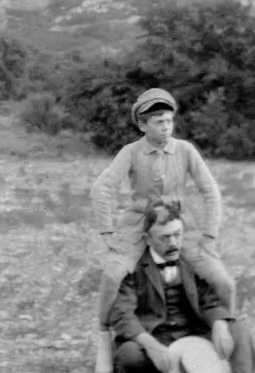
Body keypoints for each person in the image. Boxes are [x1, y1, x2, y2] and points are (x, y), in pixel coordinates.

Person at [90, 88, 238, 373]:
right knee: (113, 276)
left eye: (169, 120)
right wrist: (107, 232)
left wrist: (209, 235)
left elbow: (211, 190)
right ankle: (104, 337)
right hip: (139, 226)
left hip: (179, 224)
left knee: (223, 282)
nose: (166, 126)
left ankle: (218, 340)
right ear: (142, 125)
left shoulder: (185, 150)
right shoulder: (131, 152)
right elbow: (103, 188)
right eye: (158, 122)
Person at [108, 200, 255, 373]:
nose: (173, 243)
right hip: (153, 337)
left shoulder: (192, 259)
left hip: (193, 333)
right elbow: (122, 315)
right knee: (129, 355)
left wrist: (218, 323)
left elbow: (209, 297)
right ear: (148, 239)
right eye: (164, 237)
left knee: (236, 328)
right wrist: (150, 344)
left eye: (177, 234)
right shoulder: (130, 266)